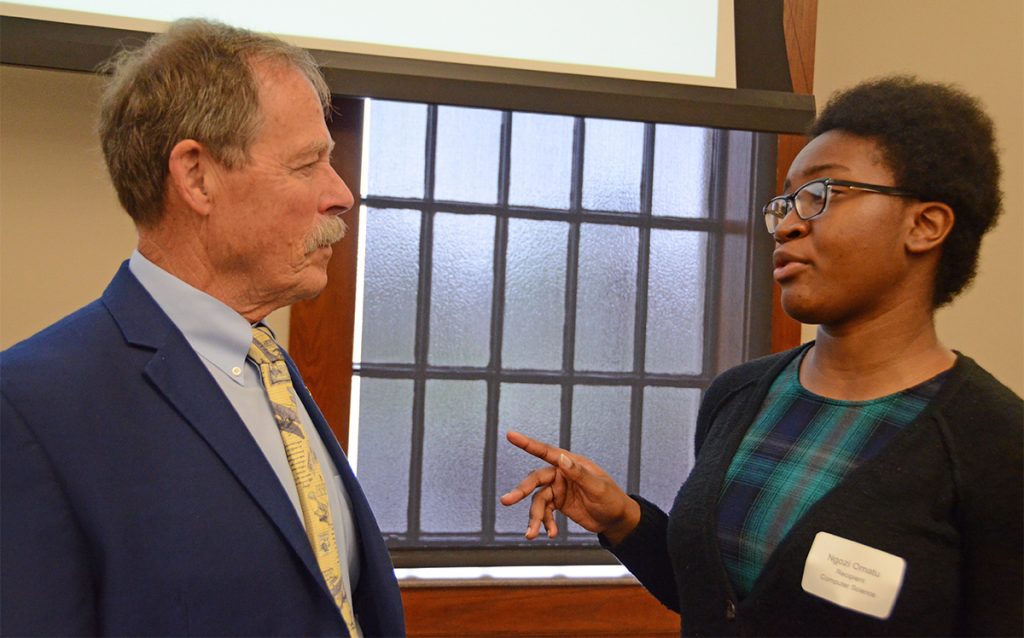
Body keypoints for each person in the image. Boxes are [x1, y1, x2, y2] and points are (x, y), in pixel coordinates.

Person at [501, 76, 1023, 636]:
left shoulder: (996, 444)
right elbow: (714, 597)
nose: (788, 225)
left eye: (821, 195)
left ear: (924, 225)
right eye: (786, 203)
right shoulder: (741, 394)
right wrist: (622, 518)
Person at [0, 19, 405, 637]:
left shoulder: (269, 369)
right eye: (307, 164)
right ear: (196, 176)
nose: (341, 193)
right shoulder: (29, 407)